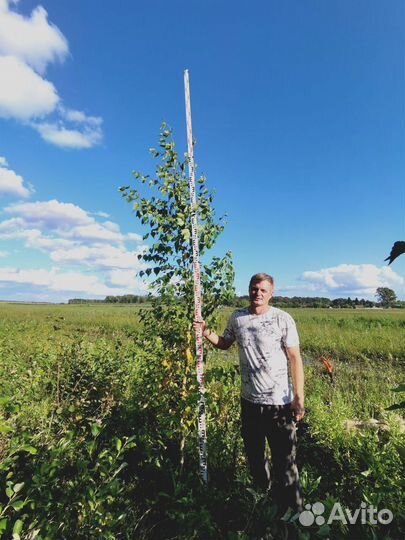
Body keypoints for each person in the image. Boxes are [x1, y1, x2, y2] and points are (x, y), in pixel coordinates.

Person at [194, 273, 304, 513]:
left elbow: (295, 358)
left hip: (279, 405)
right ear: (249, 290)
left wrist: (298, 399)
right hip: (250, 402)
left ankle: (294, 515)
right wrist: (205, 331)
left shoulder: (282, 319)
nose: (258, 293)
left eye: (263, 290)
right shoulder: (238, 317)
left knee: (285, 463)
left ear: (271, 293)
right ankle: (263, 507)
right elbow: (224, 343)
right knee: (255, 458)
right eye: (255, 289)